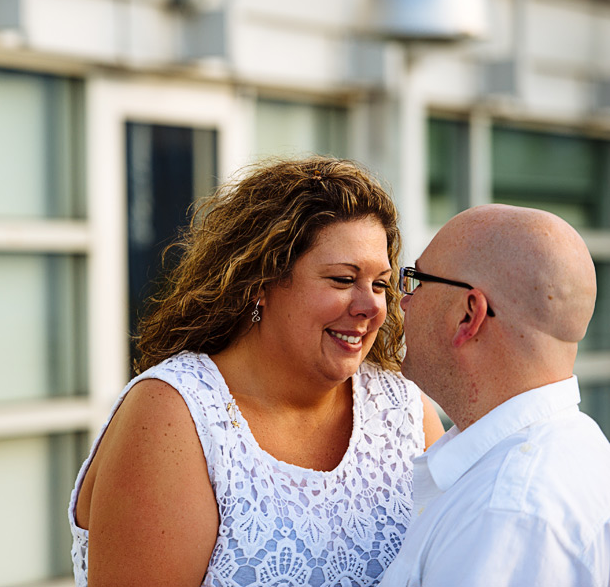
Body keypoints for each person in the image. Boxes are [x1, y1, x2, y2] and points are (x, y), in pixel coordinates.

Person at [68, 156, 444, 586]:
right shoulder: (173, 415)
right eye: (343, 280)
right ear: (260, 283)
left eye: (380, 283)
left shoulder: (403, 410)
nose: (372, 306)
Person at [379, 204, 610, 587]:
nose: (403, 301)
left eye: (417, 281)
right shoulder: (582, 451)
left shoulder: (505, 516)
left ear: (469, 315)